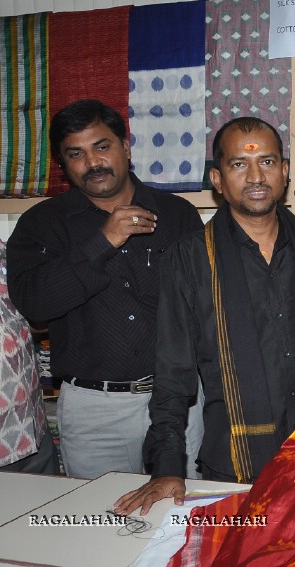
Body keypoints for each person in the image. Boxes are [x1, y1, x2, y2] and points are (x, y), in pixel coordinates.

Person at [114, 117, 295, 515]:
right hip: (237, 465)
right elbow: (173, 372)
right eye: (239, 164)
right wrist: (167, 466)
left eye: (268, 162)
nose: (256, 176)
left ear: (284, 170)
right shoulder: (189, 257)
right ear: (217, 179)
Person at [6, 99, 203, 478]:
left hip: (178, 397)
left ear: (125, 148)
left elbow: (205, 304)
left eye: (102, 146)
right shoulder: (41, 224)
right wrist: (103, 241)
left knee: (184, 517)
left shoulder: (177, 214)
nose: (92, 163)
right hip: (94, 409)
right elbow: (35, 306)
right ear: (62, 164)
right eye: (76, 153)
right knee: (99, 522)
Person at [0, 237, 59, 474]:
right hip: (4, 442)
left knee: (51, 508)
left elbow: (23, 319)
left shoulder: (6, 251)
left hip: (31, 424)